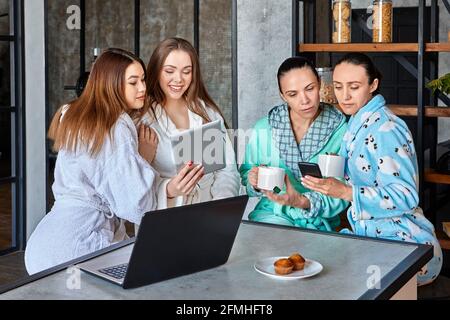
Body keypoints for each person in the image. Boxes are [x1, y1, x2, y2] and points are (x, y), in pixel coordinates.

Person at [301, 52, 442, 285]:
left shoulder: (385, 128)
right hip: (371, 239)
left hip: (407, 245)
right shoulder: (357, 124)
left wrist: (346, 192)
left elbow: (406, 196)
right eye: (338, 87)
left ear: (373, 85)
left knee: (326, 281)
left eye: (354, 87)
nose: (344, 96)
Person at [25, 48, 158, 274]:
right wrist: (143, 158)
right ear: (111, 84)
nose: (143, 88)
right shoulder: (115, 127)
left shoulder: (76, 114)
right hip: (79, 246)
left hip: (43, 244)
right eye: (133, 82)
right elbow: (134, 204)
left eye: (143, 79)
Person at [239, 57, 349, 231]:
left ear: (319, 83)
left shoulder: (340, 130)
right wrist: (253, 181)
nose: (304, 100)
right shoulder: (264, 127)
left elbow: (344, 190)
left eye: (310, 89)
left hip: (318, 220)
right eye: (292, 94)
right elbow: (247, 173)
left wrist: (302, 201)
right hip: (272, 215)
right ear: (283, 95)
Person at [140, 37, 240, 209]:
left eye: (186, 71)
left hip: (209, 215)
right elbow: (132, 187)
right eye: (169, 71)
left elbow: (227, 170)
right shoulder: (143, 120)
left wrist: (221, 203)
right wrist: (169, 190)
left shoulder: (207, 112)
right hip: (167, 218)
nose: (178, 79)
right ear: (156, 71)